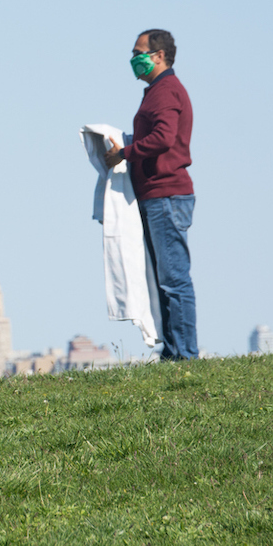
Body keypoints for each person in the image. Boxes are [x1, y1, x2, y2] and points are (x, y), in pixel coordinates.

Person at [105, 29, 197, 360]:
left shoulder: (166, 91)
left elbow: (163, 138)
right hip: (156, 196)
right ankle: (173, 352)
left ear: (159, 55)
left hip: (166, 195)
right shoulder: (156, 91)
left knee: (174, 281)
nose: (133, 60)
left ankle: (185, 355)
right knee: (163, 282)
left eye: (138, 52)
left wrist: (125, 152)